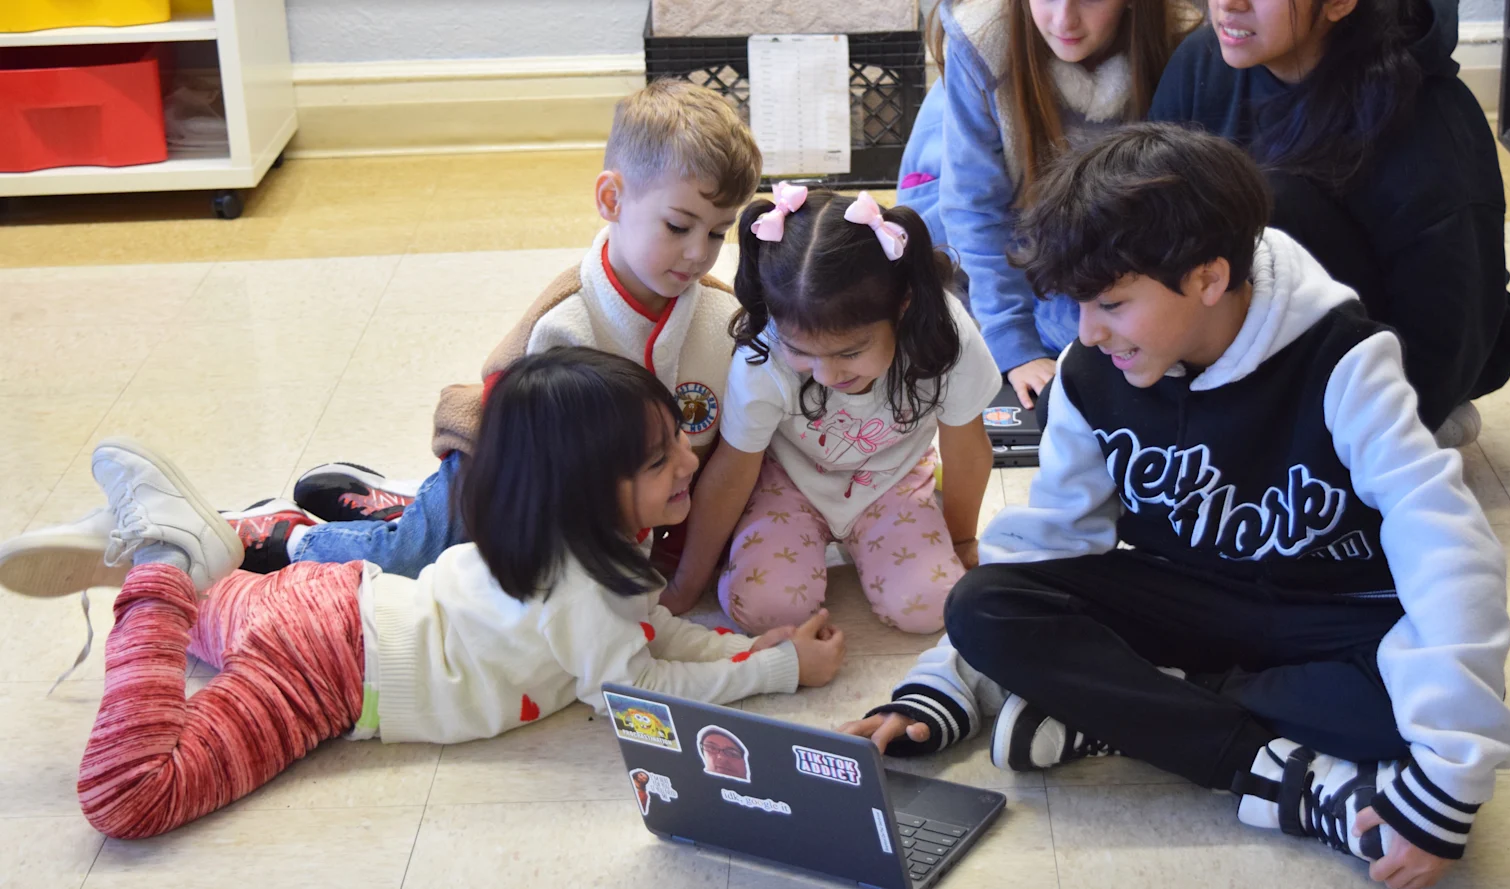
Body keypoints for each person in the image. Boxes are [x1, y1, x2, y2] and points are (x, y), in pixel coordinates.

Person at [842, 125, 1510, 889]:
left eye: (1111, 304)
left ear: (1207, 278)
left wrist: (1450, 773)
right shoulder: (1090, 373)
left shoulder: (1345, 361)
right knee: (986, 605)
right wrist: (943, 683)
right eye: (1079, 307)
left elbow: (1444, 542)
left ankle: (1126, 713)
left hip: (1332, 618)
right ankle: (1276, 776)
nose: (1088, 332)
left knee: (1413, 715)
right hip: (1189, 604)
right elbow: (1042, 546)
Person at [14, 348, 844, 840]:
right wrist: (772, 676)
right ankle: (162, 562)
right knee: (130, 798)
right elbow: (633, 688)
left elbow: (651, 629)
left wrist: (747, 649)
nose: (690, 464)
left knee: (209, 604)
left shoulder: (580, 544)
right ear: (589, 488)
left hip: (332, 605)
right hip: (327, 672)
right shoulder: (584, 583)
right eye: (661, 460)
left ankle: (166, 557)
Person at [0, 79, 762, 595]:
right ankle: (265, 534)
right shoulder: (568, 321)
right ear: (611, 198)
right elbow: (536, 466)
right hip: (500, 469)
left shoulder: (710, 318)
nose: (698, 253)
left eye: (717, 232)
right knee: (414, 560)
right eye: (678, 226)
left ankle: (374, 496)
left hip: (601, 496)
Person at [1149, 0, 1510, 448]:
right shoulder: (1202, 61)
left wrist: (1392, 427)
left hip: (1397, 352)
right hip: (1247, 347)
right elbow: (1148, 233)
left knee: (1271, 203)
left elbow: (1450, 330)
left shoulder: (1428, 121)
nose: (1228, 5)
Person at [660, 186, 1003, 634]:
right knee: (764, 610)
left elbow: (967, 449)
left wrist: (960, 539)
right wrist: (689, 580)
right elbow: (733, 467)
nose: (826, 375)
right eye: (803, 352)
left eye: (850, 351)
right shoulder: (763, 350)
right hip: (788, 484)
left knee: (933, 605)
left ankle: (906, 522)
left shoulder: (946, 332)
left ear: (902, 307)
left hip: (893, 481)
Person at [896, 0, 1196, 408]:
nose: (1063, 19)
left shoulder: (1185, 41)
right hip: (986, 232)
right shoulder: (982, 42)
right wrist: (1013, 342)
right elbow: (975, 209)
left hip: (1097, 232)